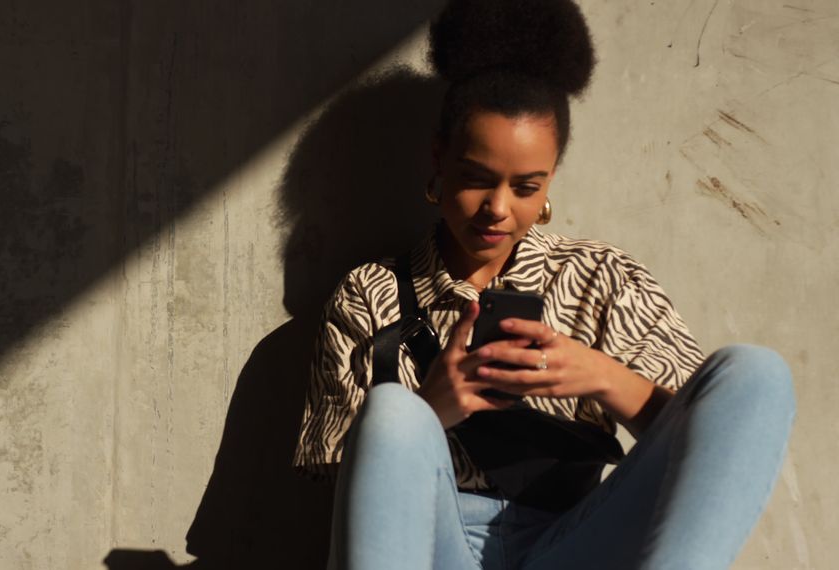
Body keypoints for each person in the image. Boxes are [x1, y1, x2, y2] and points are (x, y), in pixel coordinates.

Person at [291, 0, 796, 568]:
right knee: (392, 414)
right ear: (440, 160)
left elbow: (710, 447)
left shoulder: (601, 279)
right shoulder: (369, 292)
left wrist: (601, 377)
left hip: (576, 542)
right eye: (476, 180)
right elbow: (338, 485)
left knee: (756, 375)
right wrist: (432, 407)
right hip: (430, 547)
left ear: (551, 177)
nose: (497, 210)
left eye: (525, 187)